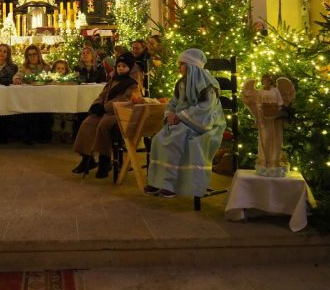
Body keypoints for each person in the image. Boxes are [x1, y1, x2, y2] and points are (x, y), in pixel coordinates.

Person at [144, 49, 226, 198]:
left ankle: (171, 184)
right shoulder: (181, 83)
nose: (178, 68)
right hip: (183, 121)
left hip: (203, 123)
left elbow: (205, 109)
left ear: (191, 66)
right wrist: (169, 115)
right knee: (158, 139)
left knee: (176, 137)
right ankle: (158, 181)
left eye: (181, 64)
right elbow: (173, 103)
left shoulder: (207, 86)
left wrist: (180, 116)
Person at [72, 52, 140, 179]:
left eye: (124, 66)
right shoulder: (113, 80)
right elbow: (103, 94)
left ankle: (105, 159)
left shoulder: (132, 84)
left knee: (104, 125)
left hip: (119, 112)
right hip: (105, 110)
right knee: (88, 123)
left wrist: (105, 107)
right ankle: (87, 158)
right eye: (118, 66)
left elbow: (123, 99)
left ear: (130, 68)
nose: (120, 68)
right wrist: (96, 105)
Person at [13, 45, 52, 143]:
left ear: (38, 55)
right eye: (29, 55)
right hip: (29, 99)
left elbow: (53, 77)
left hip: (44, 99)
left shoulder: (46, 67)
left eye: (34, 54)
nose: (32, 57)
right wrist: (17, 79)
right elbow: (17, 76)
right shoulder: (24, 68)